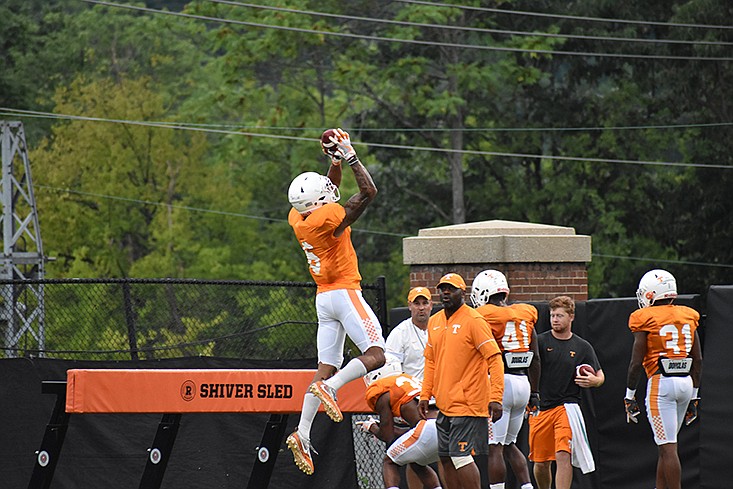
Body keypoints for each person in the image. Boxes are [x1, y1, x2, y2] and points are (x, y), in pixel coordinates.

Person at [285, 128, 386, 475]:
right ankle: (332, 388)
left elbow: (328, 192)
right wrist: (352, 155)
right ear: (319, 203)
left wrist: (334, 161)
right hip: (344, 291)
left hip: (323, 298)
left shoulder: (298, 217)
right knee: (377, 353)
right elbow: (368, 192)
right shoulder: (329, 220)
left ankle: (302, 431)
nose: (332, 193)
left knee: (325, 366)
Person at [418, 273, 504, 489]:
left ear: (462, 292)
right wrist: (425, 394)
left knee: (460, 456)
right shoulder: (435, 321)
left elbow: (494, 359)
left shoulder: (474, 320)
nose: (446, 293)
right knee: (445, 458)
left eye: (451, 289)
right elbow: (431, 361)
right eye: (442, 288)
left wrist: (496, 397)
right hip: (444, 405)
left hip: (469, 404)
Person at [624, 269, 702, 489]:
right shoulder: (688, 314)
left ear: (651, 293)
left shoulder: (644, 317)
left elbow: (635, 363)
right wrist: (695, 396)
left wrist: (629, 396)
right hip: (686, 383)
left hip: (661, 386)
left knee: (668, 448)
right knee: (666, 446)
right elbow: (698, 360)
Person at [471, 270, 539, 489]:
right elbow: (535, 358)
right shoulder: (524, 313)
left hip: (500, 384)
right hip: (523, 384)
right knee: (510, 444)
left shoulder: (483, 315)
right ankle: (527, 487)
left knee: (495, 447)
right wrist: (535, 393)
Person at [529, 295, 604, 489]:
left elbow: (600, 375)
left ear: (571, 317)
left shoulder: (582, 346)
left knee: (564, 454)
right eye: (553, 315)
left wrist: (594, 381)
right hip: (542, 408)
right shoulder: (541, 341)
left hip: (567, 408)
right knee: (541, 462)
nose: (555, 319)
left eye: (560, 315)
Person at [356, 356, 442, 489]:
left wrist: (372, 428)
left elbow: (387, 436)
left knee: (389, 461)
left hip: (427, 428)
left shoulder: (383, 391)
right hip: (446, 426)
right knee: (415, 461)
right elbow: (414, 431)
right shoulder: (410, 381)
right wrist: (382, 426)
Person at [386, 286, 433, 379]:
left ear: (431, 305)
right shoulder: (399, 333)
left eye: (425, 303)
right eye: (417, 304)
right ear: (409, 306)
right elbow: (391, 369)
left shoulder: (439, 327)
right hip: (413, 390)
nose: (421, 308)